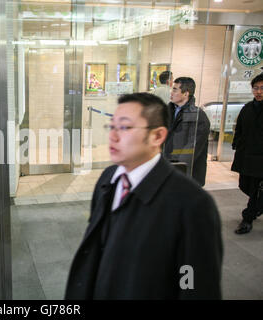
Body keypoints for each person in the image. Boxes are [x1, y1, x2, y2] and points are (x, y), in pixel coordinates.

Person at [65, 93, 223, 299]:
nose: (113, 136)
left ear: (157, 136)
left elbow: (194, 284)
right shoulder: (109, 179)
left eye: (125, 127)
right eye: (111, 126)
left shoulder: (192, 204)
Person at [231, 73, 263, 234]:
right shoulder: (248, 108)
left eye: (262, 88)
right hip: (246, 154)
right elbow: (240, 129)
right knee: (244, 185)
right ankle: (258, 205)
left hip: (261, 158)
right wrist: (236, 143)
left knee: (257, 188)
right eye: (256, 88)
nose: (258, 92)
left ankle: (248, 218)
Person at [163, 77, 210, 186]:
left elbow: (192, 148)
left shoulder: (198, 116)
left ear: (186, 93)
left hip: (186, 173)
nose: (171, 93)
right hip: (168, 168)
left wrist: (177, 169)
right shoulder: (167, 111)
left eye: (175, 89)